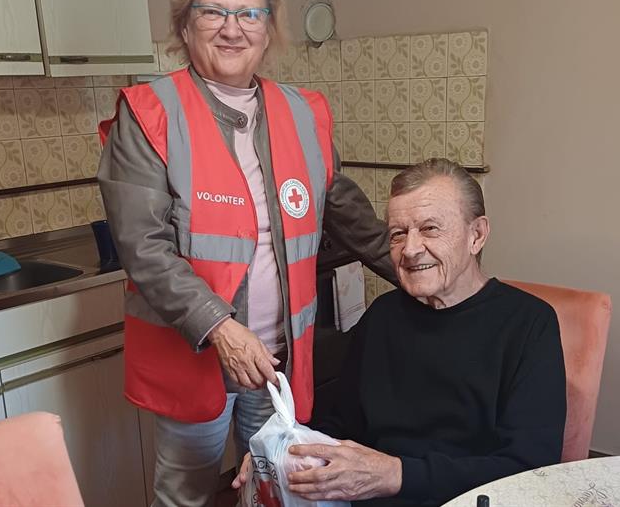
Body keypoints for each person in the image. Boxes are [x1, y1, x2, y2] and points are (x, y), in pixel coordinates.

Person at [96, 0, 395, 507]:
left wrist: (422, 274)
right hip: (198, 357)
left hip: (278, 358)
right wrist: (221, 328)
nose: (232, 29)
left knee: (275, 490)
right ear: (185, 25)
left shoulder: (304, 113)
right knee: (186, 495)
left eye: (249, 13)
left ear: (269, 26)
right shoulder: (149, 113)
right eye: (213, 11)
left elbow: (348, 214)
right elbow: (144, 247)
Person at [235, 158, 566, 506]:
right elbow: (339, 421)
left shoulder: (529, 324)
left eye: (430, 229)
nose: (410, 249)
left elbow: (529, 468)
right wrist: (281, 451)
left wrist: (396, 475)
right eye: (397, 234)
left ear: (477, 235)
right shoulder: (382, 316)